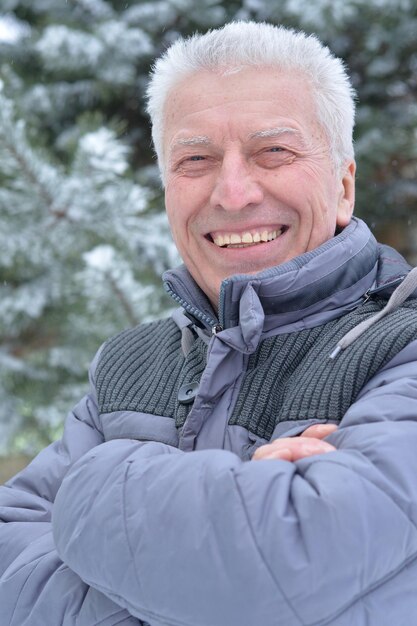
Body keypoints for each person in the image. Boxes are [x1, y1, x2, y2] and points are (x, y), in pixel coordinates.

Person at [1, 20, 417, 626]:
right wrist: (239, 517)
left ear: (344, 185)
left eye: (273, 151)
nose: (233, 191)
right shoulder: (130, 364)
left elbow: (280, 566)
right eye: (195, 159)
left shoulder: (403, 344)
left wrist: (93, 486)